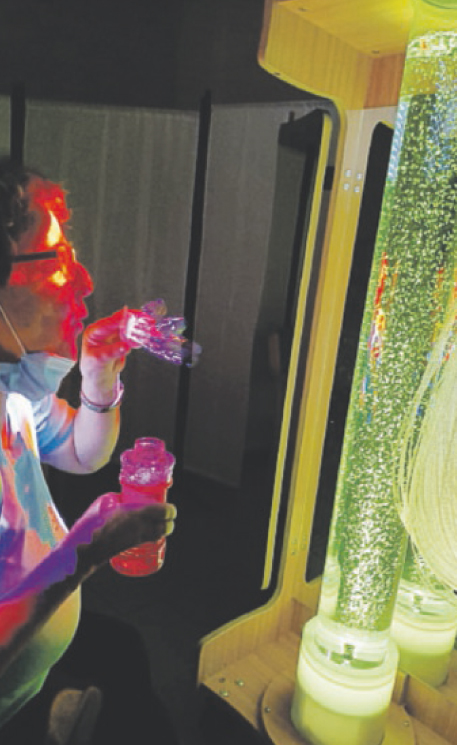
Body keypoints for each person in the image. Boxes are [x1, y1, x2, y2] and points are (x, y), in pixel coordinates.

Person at [0, 159, 177, 738]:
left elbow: (82, 454)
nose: (83, 280)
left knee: (124, 653)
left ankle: (50, 707)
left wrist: (98, 377)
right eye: (56, 259)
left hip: (33, 646)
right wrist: (86, 550)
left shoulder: (12, 386)